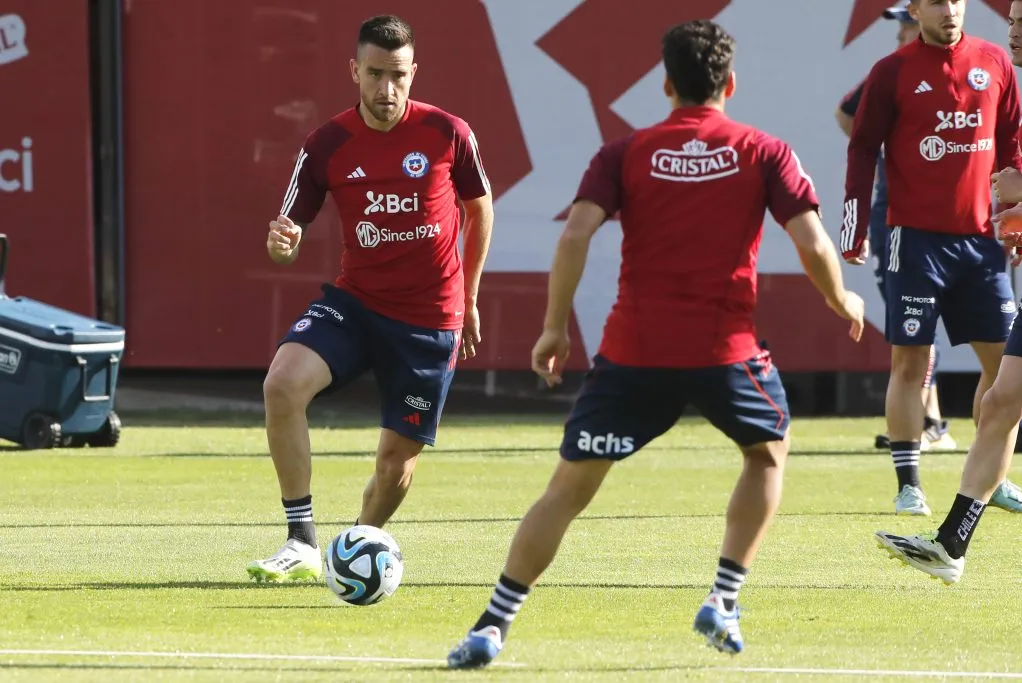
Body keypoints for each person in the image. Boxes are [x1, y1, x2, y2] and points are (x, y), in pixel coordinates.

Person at [446, 19, 865, 668]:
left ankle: (492, 624)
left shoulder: (624, 152)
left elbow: (574, 236)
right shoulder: (764, 150)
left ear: (666, 84)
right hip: (725, 353)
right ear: (731, 83)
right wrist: (844, 301)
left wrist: (555, 327)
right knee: (768, 452)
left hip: (633, 355)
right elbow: (812, 242)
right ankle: (723, 597)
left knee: (566, 490)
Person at [246, 14, 494, 583]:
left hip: (430, 321)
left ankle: (350, 552)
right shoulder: (326, 144)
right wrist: (281, 244)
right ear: (354, 71)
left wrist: (470, 297)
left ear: (414, 73)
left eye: (398, 76)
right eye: (375, 75)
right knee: (282, 384)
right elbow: (289, 231)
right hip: (355, 305)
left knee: (394, 469)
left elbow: (480, 210)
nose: (387, 90)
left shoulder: (448, 133)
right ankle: (302, 541)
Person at [842, 0, 1022, 517]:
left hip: (983, 245)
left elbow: (1013, 145)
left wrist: (1015, 216)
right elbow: (860, 148)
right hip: (915, 241)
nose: (950, 10)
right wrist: (854, 227)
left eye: (957, 0)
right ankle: (909, 484)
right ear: (915, 10)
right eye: (937, 2)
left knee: (1005, 366)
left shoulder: (995, 62)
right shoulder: (891, 72)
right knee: (910, 361)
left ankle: (992, 475)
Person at [836, 2, 957, 453]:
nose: (899, 35)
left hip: (942, 220)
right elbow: (846, 114)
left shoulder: (964, 68)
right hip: (895, 217)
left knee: (918, 325)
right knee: (912, 322)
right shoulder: (893, 73)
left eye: (905, 24)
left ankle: (928, 423)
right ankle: (931, 422)